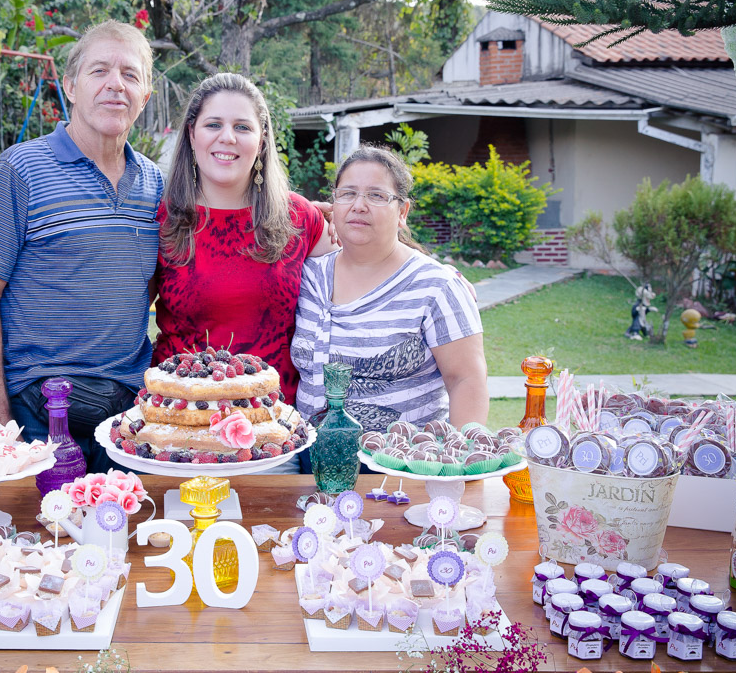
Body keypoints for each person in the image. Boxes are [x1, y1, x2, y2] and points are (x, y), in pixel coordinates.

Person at [0, 20, 163, 472]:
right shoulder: (20, 170)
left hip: (130, 413)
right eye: (99, 71)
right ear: (70, 86)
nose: (116, 84)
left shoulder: (155, 184)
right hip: (38, 408)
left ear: (145, 97)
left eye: (130, 75)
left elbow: (143, 286)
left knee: (128, 518)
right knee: (45, 519)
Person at [153, 73, 334, 403]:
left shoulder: (300, 218)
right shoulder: (162, 219)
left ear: (262, 140)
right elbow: (122, 314)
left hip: (273, 417)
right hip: (178, 415)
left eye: (242, 127)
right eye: (213, 125)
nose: (227, 137)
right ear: (191, 134)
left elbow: (356, 297)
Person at [291, 144, 489, 433]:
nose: (359, 205)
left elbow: (466, 380)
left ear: (402, 212)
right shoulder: (308, 276)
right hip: (308, 455)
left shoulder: (436, 286)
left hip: (402, 457)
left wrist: (462, 452)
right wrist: (306, 212)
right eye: (348, 194)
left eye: (376, 195)